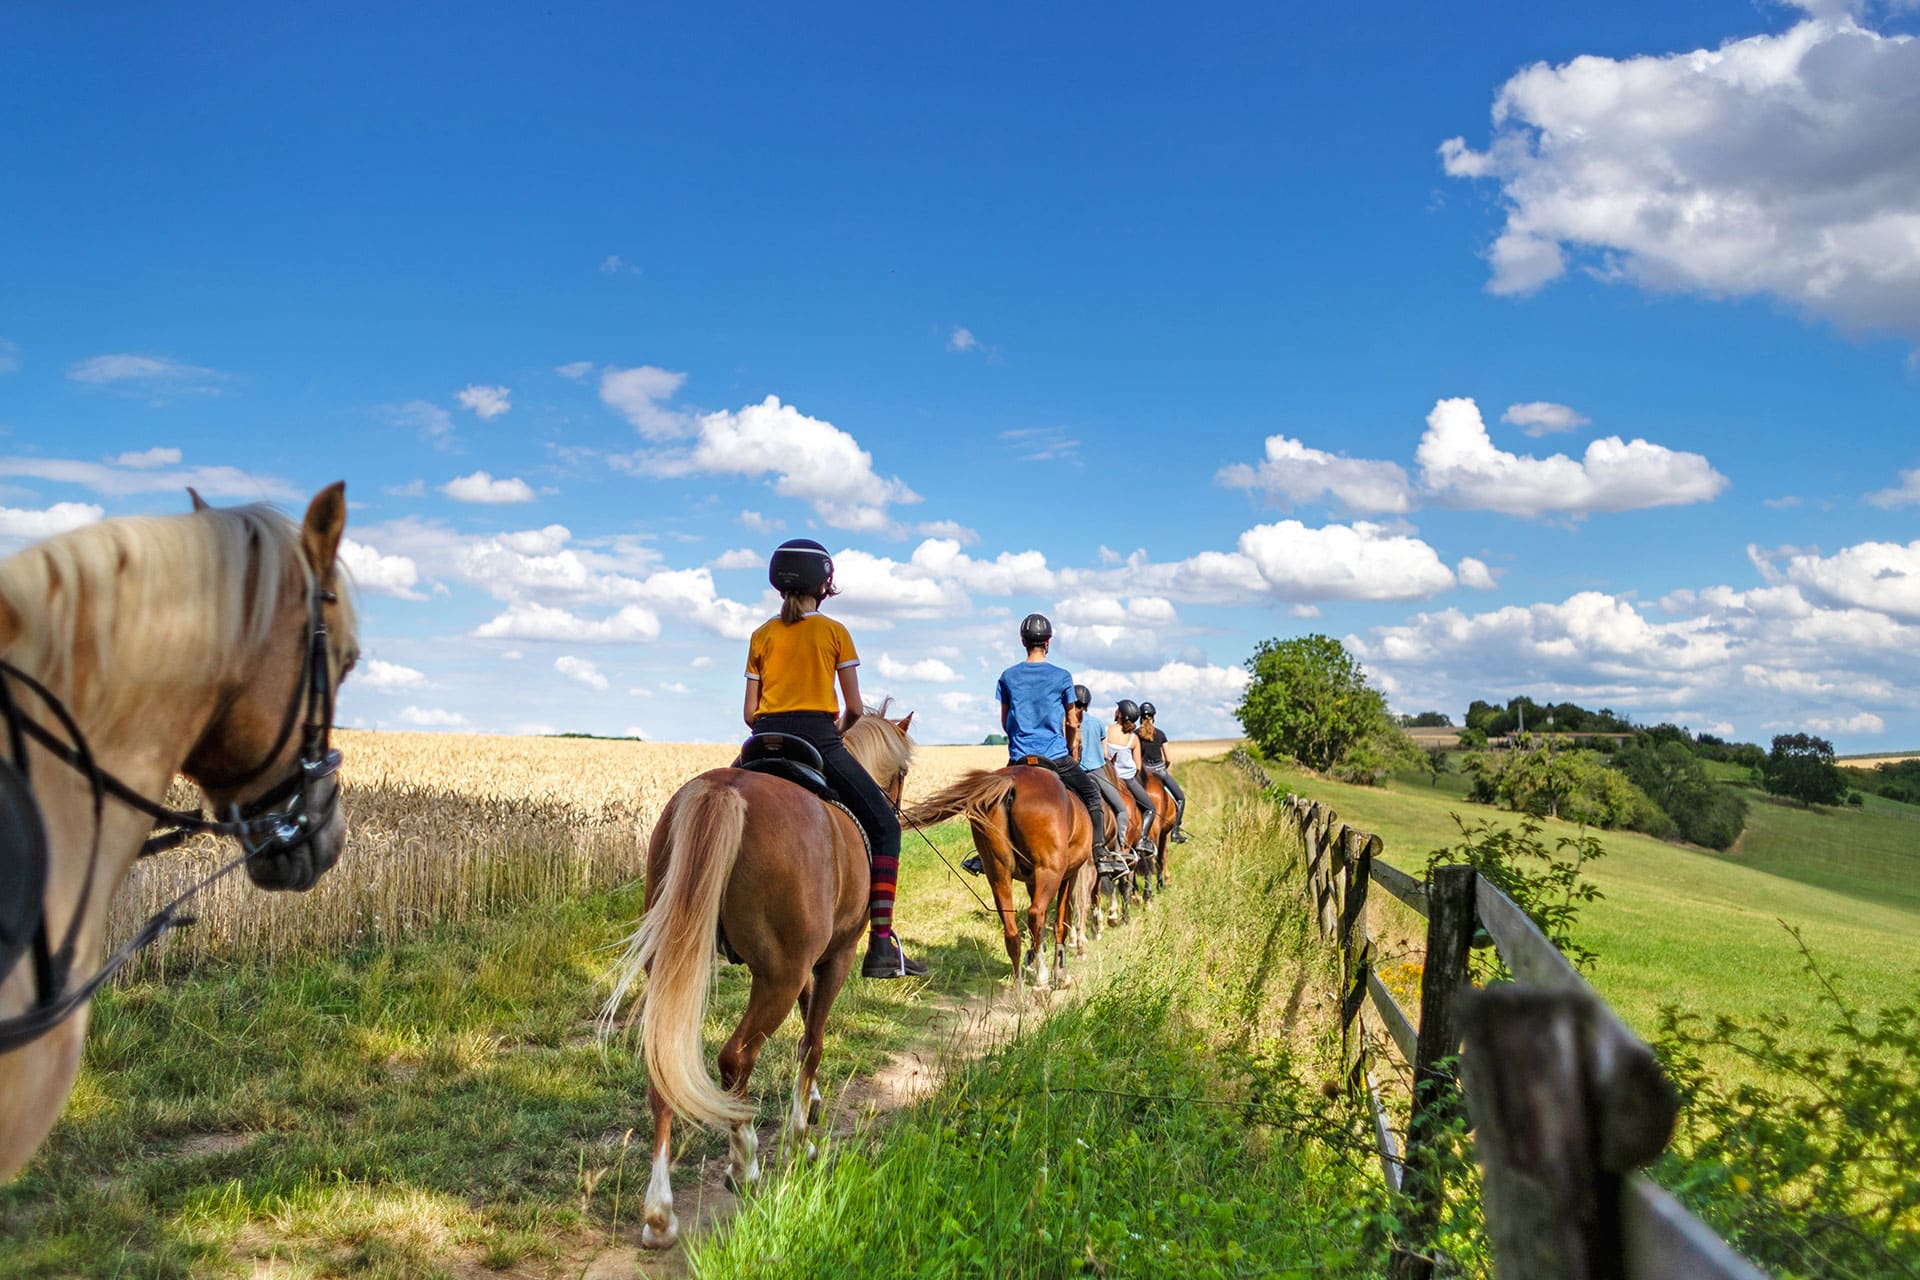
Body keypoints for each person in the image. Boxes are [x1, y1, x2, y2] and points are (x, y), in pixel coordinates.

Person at [744, 538, 924, 978]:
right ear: (824, 586)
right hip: (818, 740)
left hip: (761, 742)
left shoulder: (761, 635)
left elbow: (750, 714)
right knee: (884, 826)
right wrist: (836, 735)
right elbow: (857, 710)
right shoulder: (834, 632)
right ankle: (881, 945)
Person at [962, 613, 1107, 875]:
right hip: (1055, 757)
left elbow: (1006, 723)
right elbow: (1073, 723)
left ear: (1022, 641)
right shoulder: (1063, 676)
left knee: (986, 804)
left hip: (1018, 758)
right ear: (1048, 642)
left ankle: (983, 857)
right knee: (1092, 796)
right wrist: (1070, 748)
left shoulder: (1008, 677)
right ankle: (1101, 853)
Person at [1068, 684, 1129, 873]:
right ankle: (1119, 850)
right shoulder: (1097, 723)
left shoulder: (1066, 721)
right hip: (1096, 772)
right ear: (1088, 704)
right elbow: (1104, 754)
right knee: (1121, 809)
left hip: (1072, 772)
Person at [1104, 699, 1162, 855]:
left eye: (1117, 709)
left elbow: (1103, 755)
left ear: (1120, 714)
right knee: (1150, 808)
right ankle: (1143, 839)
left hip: (1108, 778)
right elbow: (1137, 766)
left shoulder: (1106, 730)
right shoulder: (1132, 738)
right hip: (1128, 779)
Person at [1136, 701, 1188, 842]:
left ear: (1140, 717)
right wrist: (1163, 768)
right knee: (1181, 798)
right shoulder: (1160, 734)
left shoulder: (1135, 735)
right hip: (1160, 770)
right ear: (1153, 716)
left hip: (1143, 773)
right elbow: (1168, 758)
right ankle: (1175, 832)